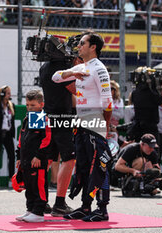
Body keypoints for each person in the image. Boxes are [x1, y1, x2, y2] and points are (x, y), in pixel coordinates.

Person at [52, 32, 113, 222]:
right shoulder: (82, 67)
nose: (79, 46)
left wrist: (105, 125)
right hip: (80, 122)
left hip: (95, 120)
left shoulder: (99, 69)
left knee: (99, 165)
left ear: (93, 47)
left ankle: (102, 209)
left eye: (82, 43)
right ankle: (86, 206)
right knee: (84, 166)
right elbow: (55, 77)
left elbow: (108, 101)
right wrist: (72, 72)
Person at [38, 40, 77, 216]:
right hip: (62, 116)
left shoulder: (44, 67)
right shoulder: (63, 67)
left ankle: (39, 201)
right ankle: (60, 203)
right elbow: (75, 90)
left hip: (47, 115)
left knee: (46, 159)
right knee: (69, 159)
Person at [15, 90, 52, 223]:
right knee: (29, 187)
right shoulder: (27, 118)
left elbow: (47, 139)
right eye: (27, 105)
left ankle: (38, 212)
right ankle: (30, 210)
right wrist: (19, 156)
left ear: (41, 105)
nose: (30, 108)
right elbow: (21, 139)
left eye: (33, 105)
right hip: (26, 160)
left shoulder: (43, 118)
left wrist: (39, 156)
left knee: (38, 186)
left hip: (37, 161)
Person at [130, 67, 162, 142]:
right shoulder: (151, 93)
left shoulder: (135, 92)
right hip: (150, 129)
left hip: (138, 127)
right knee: (152, 151)